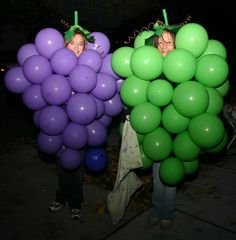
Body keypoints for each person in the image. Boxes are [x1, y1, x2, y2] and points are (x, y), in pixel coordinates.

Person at [48, 29, 88, 220]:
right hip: (57, 123)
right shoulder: (56, 66)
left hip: (78, 126)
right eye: (72, 43)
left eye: (81, 44)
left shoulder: (87, 67)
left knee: (76, 165)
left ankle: (75, 202)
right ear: (65, 45)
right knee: (61, 165)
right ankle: (62, 196)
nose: (77, 48)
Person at [147, 29, 177, 229]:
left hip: (176, 128)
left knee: (171, 173)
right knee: (157, 173)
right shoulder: (151, 69)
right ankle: (157, 209)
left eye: (169, 41)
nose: (164, 46)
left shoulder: (184, 68)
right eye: (160, 43)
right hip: (156, 128)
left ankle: (168, 212)